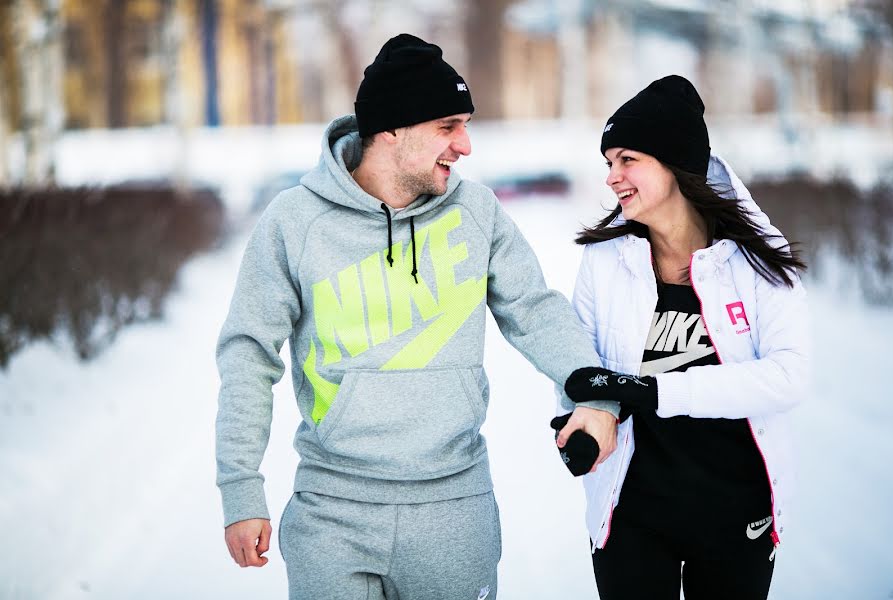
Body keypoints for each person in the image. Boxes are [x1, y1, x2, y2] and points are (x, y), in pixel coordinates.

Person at [215, 33, 618, 600]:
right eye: (448, 126)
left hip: (455, 509)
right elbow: (248, 354)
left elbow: (535, 311)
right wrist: (240, 489)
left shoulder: (476, 212)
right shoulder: (294, 222)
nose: (465, 146)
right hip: (333, 511)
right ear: (393, 129)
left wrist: (595, 396)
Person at [559, 75, 810, 599]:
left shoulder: (753, 258)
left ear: (673, 163)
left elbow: (787, 378)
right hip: (631, 515)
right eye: (609, 162)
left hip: (734, 513)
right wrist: (586, 415)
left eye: (627, 159)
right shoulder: (605, 260)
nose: (612, 176)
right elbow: (579, 362)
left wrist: (657, 391)